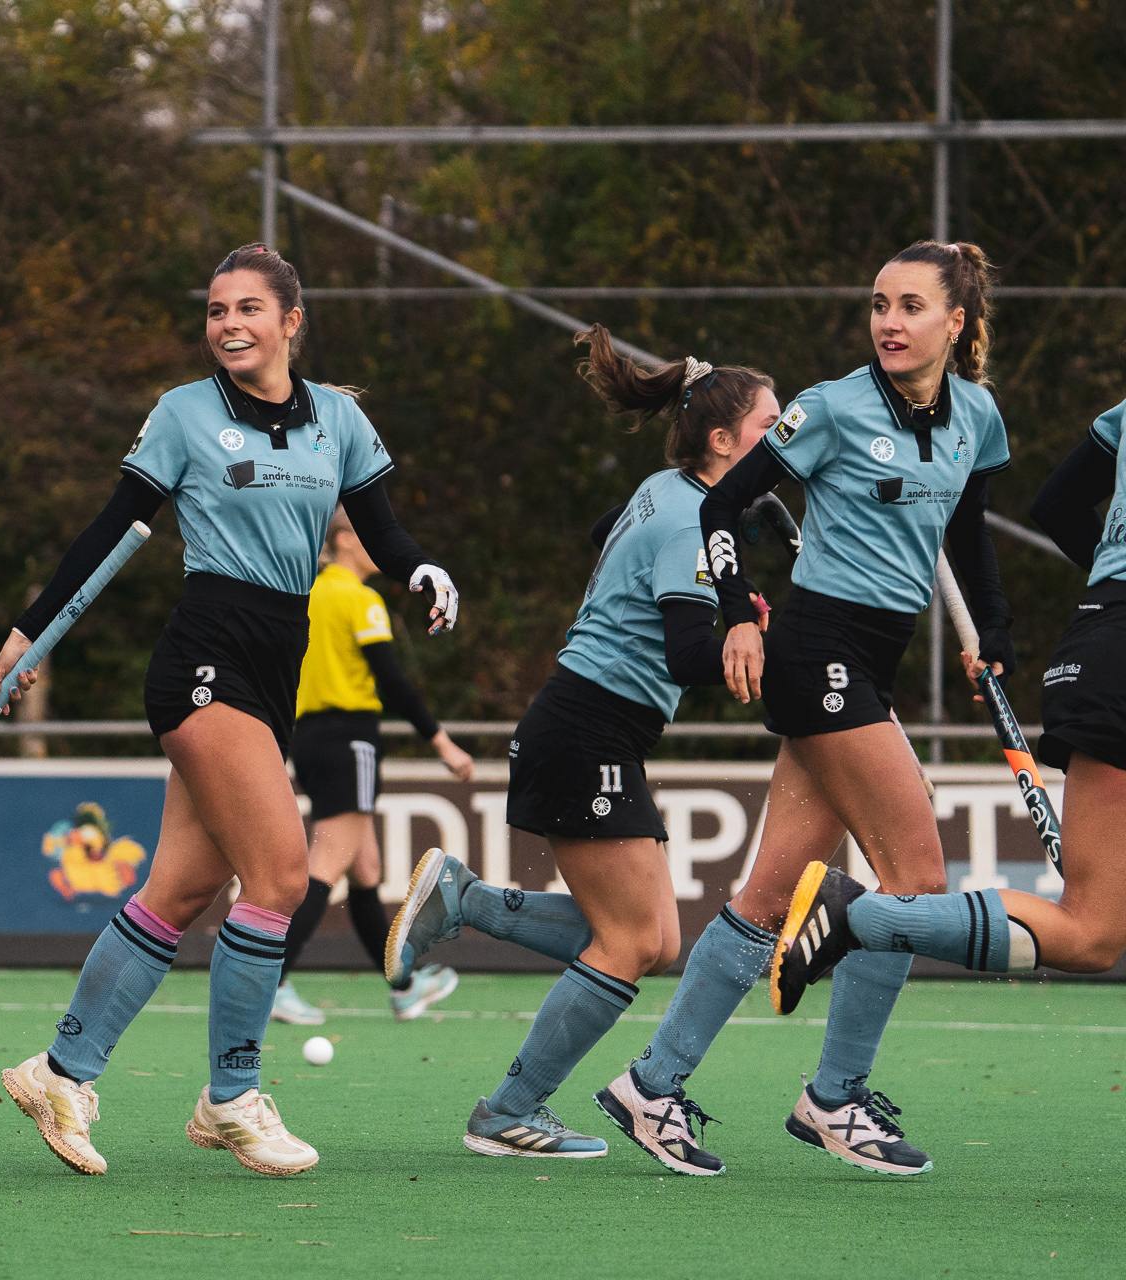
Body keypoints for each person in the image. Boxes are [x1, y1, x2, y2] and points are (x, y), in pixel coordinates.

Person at [0, 243, 456, 1178]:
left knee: (178, 891)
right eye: (215, 310)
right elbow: (107, 531)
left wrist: (420, 570)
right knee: (280, 875)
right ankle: (233, 1098)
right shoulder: (184, 413)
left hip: (276, 667)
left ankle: (60, 1072)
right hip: (205, 659)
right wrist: (27, 633)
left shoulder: (339, 420)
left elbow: (381, 528)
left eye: (248, 308)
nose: (229, 324)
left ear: (292, 321)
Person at [593, 241, 1012, 1179]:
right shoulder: (829, 408)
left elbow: (970, 534)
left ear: (955, 323)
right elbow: (720, 511)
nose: (889, 323)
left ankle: (651, 1085)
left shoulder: (977, 417)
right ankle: (834, 1097)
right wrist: (741, 614)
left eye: (910, 307)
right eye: (879, 304)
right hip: (819, 650)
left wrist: (995, 631)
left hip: (876, 659)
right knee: (916, 881)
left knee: (769, 895)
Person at [387, 324, 778, 1160]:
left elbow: (606, 530)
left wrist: (733, 549)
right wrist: (771, 650)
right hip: (587, 727)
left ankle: (465, 902)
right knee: (631, 942)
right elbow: (688, 655)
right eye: (768, 429)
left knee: (657, 941)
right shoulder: (692, 519)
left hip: (589, 725)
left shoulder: (667, 490)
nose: (782, 443)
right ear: (722, 442)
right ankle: (507, 1110)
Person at [773, 385, 1126, 997]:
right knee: (1091, 933)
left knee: (1093, 933)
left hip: (1100, 634)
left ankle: (861, 921)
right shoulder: (845, 407)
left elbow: (1057, 503)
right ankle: (862, 916)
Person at [272, 503, 474, 1027]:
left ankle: (403, 987)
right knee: (326, 864)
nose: (378, 548)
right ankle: (269, 983)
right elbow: (391, 681)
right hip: (349, 740)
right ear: (342, 540)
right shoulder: (358, 598)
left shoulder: (307, 595)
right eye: (365, 537)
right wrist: (442, 743)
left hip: (309, 738)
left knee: (366, 872)